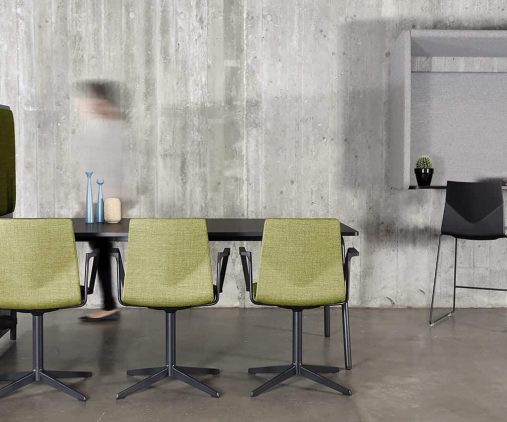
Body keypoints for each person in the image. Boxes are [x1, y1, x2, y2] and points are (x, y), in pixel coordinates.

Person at [71, 80, 128, 321]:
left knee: (101, 247)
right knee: (101, 249)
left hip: (104, 199)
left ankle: (109, 304)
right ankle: (109, 303)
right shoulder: (110, 126)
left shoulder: (108, 128)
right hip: (101, 199)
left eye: (91, 99)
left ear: (101, 101)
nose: (86, 105)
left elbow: (111, 167)